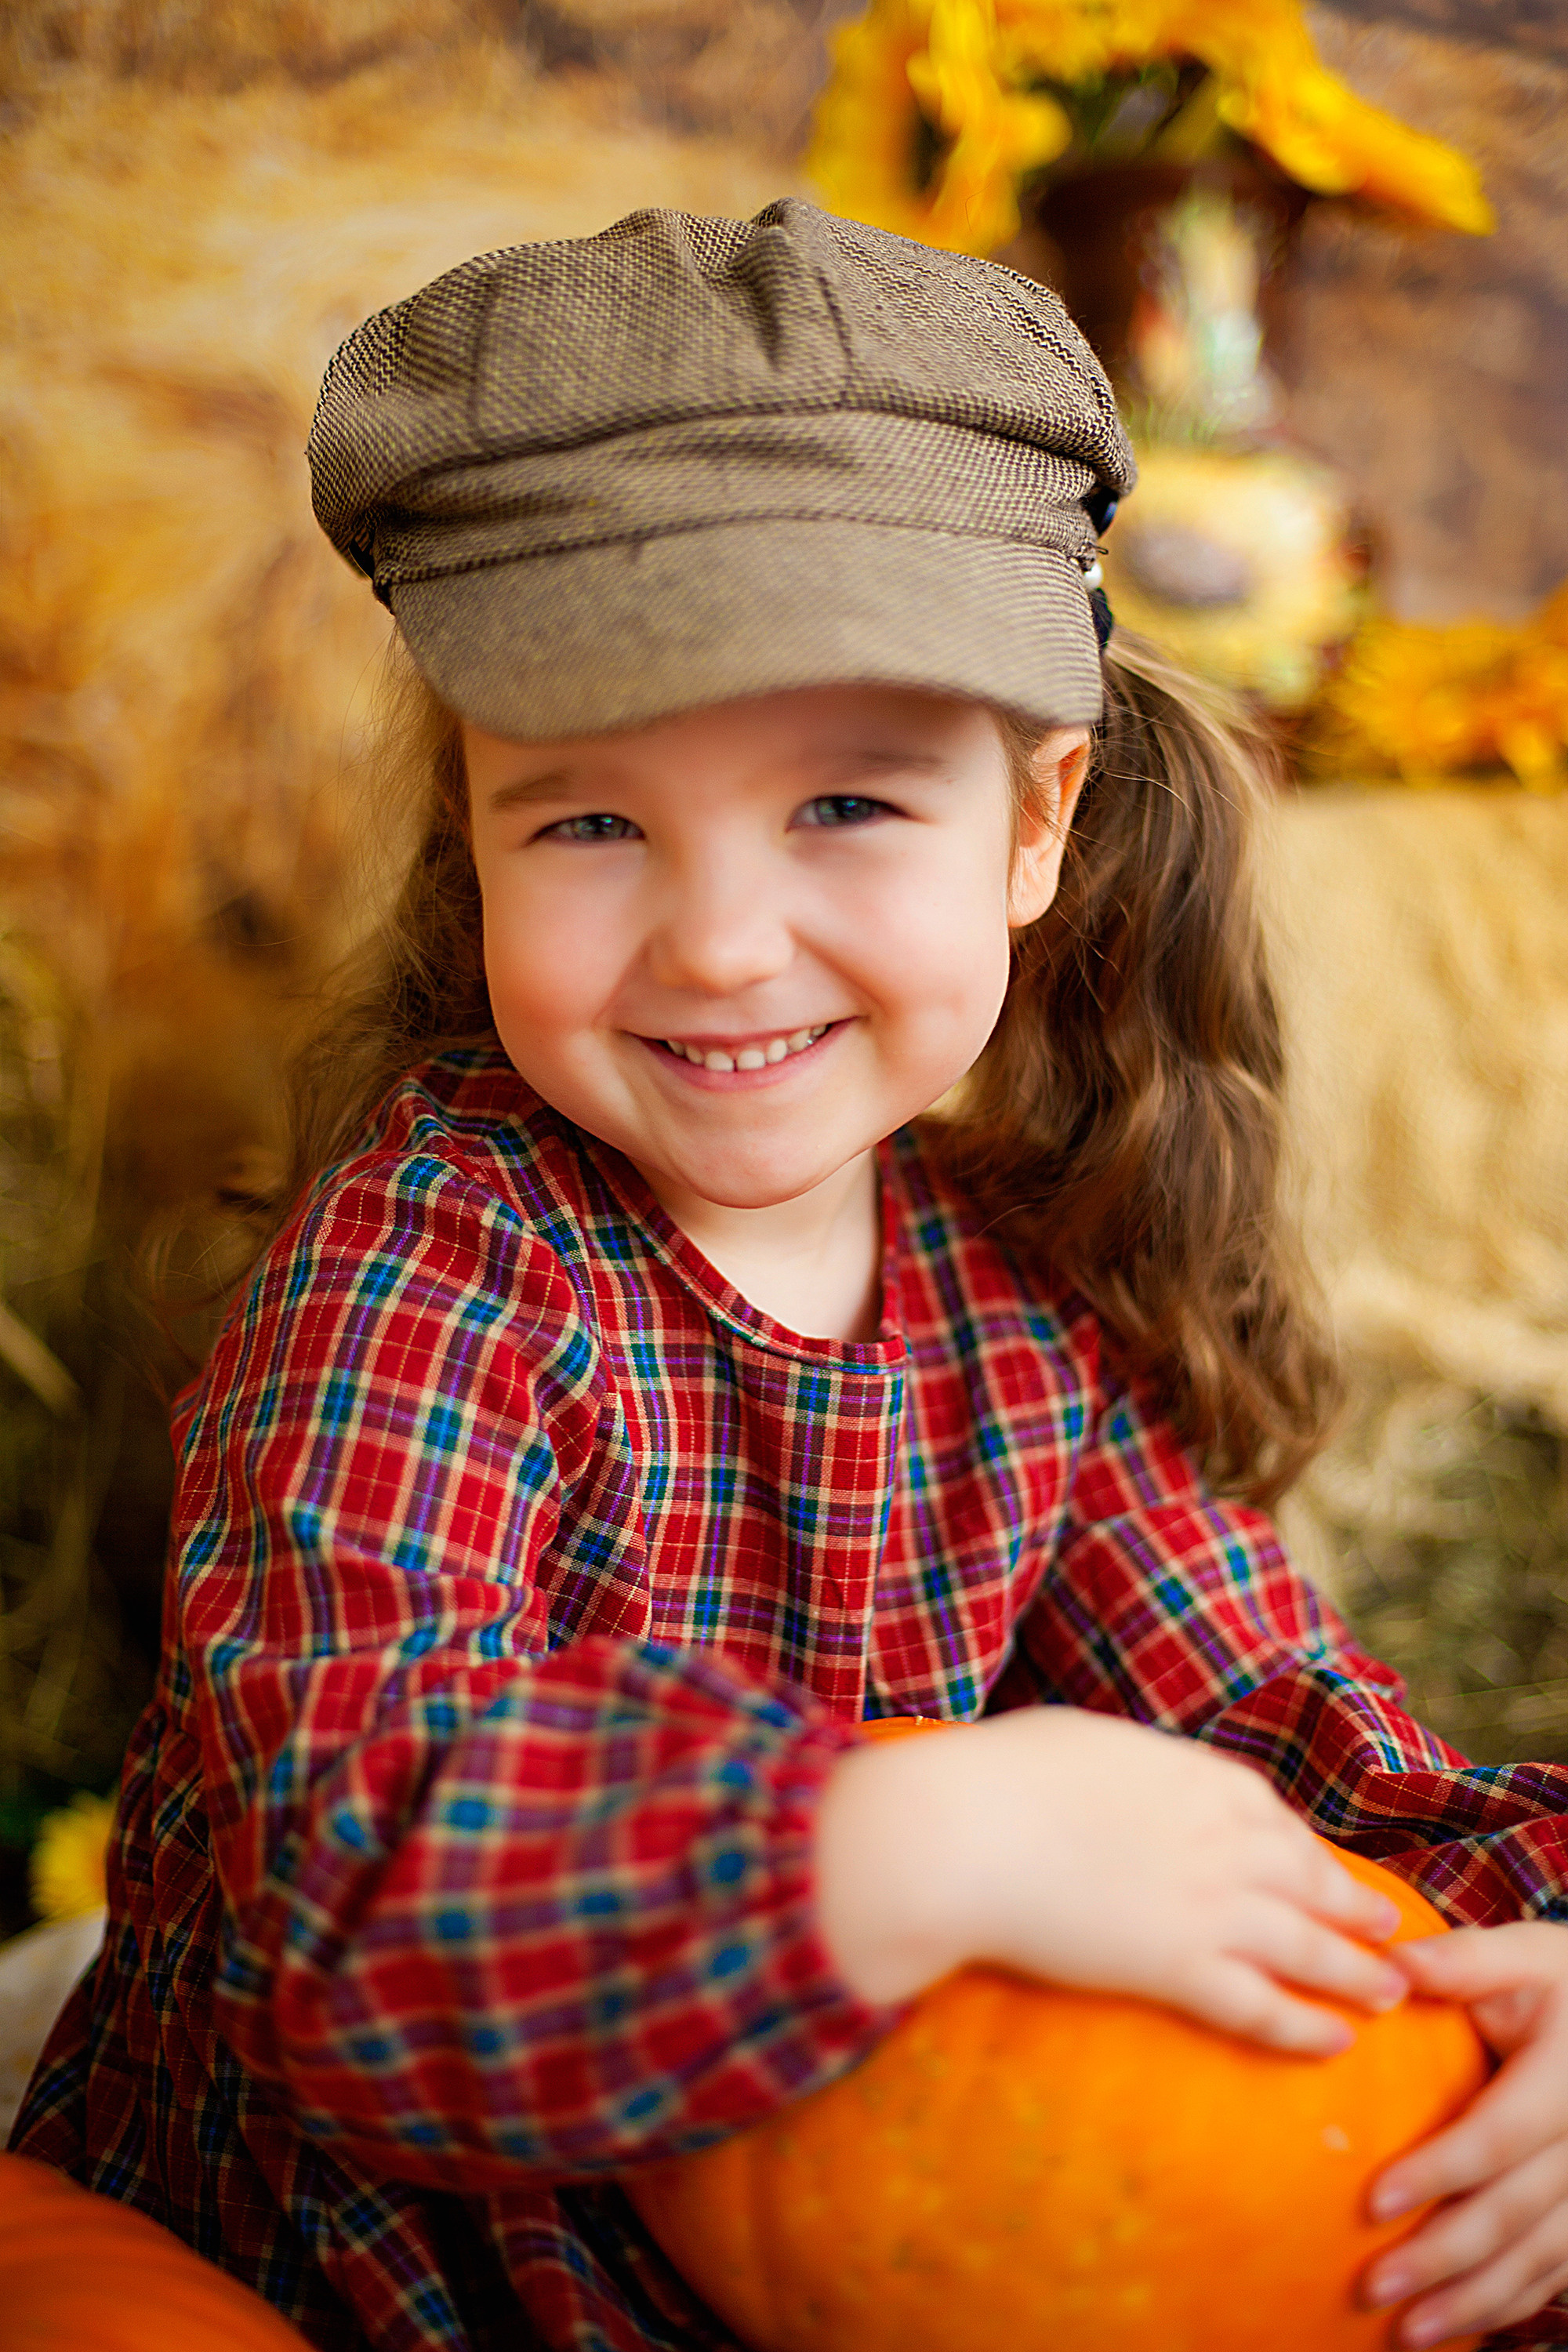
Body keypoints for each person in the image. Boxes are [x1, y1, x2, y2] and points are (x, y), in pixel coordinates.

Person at [11, 198, 1568, 2352]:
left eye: (842, 801)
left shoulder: (1004, 1301)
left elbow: (1284, 1732)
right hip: (326, 2261)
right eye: (588, 824)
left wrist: (1533, 1948)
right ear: (469, 840)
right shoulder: (432, 1278)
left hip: (782, 2239)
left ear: (1038, 824)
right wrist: (895, 1837)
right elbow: (360, 1911)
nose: (720, 939)